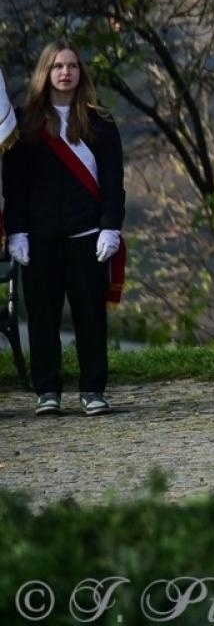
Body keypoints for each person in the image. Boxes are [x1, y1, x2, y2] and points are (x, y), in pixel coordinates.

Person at [3, 42, 124, 417]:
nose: (65, 72)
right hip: (40, 239)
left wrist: (110, 227)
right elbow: (15, 183)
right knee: (43, 318)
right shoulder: (25, 123)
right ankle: (47, 390)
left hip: (87, 237)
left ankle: (92, 389)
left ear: (80, 72)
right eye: (57, 66)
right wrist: (17, 230)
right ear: (46, 72)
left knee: (90, 318)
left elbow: (114, 180)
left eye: (72, 66)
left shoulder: (99, 121)